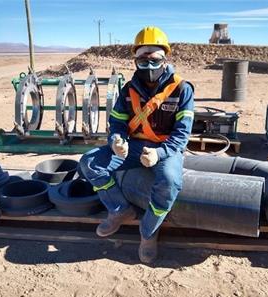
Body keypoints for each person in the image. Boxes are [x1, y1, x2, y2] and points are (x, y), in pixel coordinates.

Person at [79, 26, 194, 263]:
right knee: (89, 163)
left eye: (155, 60)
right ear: (135, 61)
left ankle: (148, 232)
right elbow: (117, 123)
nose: (149, 66)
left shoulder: (182, 89)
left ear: (165, 58)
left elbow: (182, 135)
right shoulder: (128, 90)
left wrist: (160, 154)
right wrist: (116, 141)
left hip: (166, 149)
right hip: (133, 147)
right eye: (143, 60)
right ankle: (120, 210)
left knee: (169, 182)